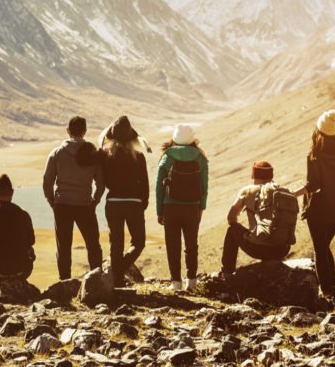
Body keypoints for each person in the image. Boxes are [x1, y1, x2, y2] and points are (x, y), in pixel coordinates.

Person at [292, 110, 335, 304]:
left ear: (319, 131)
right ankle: (331, 291)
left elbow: (313, 185)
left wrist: (293, 194)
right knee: (324, 248)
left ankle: (329, 294)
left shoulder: (315, 155)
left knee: (320, 250)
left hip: (318, 211)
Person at [42, 115, 105, 280]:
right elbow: (101, 183)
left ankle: (64, 281)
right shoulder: (92, 152)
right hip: (85, 204)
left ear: (68, 130)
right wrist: (95, 200)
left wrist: (52, 202)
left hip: (62, 204)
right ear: (85, 131)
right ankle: (96, 279)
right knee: (93, 244)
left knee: (63, 246)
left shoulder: (57, 153)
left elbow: (47, 182)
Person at [98, 116, 149, 287]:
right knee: (139, 242)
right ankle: (119, 272)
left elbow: (102, 180)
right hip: (134, 203)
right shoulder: (139, 156)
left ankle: (117, 276)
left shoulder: (105, 156)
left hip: (113, 202)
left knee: (116, 243)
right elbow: (145, 183)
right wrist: (143, 203)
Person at [156, 124, 209, 291]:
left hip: (170, 207)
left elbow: (159, 186)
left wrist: (159, 211)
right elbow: (204, 185)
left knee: (173, 245)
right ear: (192, 139)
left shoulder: (168, 156)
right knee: (191, 244)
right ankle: (191, 281)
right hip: (192, 207)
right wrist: (201, 207)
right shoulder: (200, 157)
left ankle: (176, 283)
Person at [221, 161, 294, 275]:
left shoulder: (248, 190)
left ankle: (227, 272)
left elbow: (231, 218)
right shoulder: (284, 192)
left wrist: (248, 233)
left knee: (232, 230)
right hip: (282, 249)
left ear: (254, 175)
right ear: (271, 176)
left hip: (258, 250)